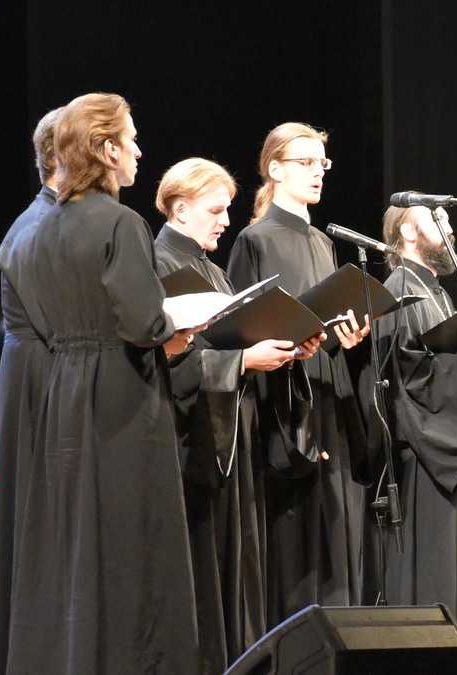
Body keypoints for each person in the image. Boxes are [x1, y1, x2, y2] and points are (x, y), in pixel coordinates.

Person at [0, 92, 199, 674]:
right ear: (107, 150)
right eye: (131, 140)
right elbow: (144, 324)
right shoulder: (120, 222)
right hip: (120, 393)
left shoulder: (32, 228)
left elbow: (34, 327)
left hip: (60, 393)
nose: (138, 151)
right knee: (129, 544)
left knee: (72, 544)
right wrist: (179, 329)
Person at [153, 157, 318, 671]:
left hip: (231, 435)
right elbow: (164, 365)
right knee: (204, 574)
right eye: (215, 211)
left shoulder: (213, 270)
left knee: (237, 573)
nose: (226, 221)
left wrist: (289, 348)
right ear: (180, 209)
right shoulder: (158, 264)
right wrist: (245, 360)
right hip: (192, 444)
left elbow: (233, 342)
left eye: (226, 209)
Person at [361, 199, 457, 674]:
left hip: (454, 452)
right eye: (438, 219)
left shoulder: (438, 292)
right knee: (437, 580)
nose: (450, 228)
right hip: (426, 460)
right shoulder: (399, 292)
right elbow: (409, 381)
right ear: (408, 232)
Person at [226, 122, 372, 625]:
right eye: (305, 163)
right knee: (293, 552)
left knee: (335, 542)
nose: (317, 173)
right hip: (284, 411)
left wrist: (343, 335)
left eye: (321, 164)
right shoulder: (255, 239)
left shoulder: (322, 241)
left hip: (327, 396)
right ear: (274, 169)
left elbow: (322, 322)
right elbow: (241, 333)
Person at [0, 107, 61, 675]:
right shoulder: (44, 225)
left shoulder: (42, 219)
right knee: (42, 527)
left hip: (34, 371)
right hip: (41, 379)